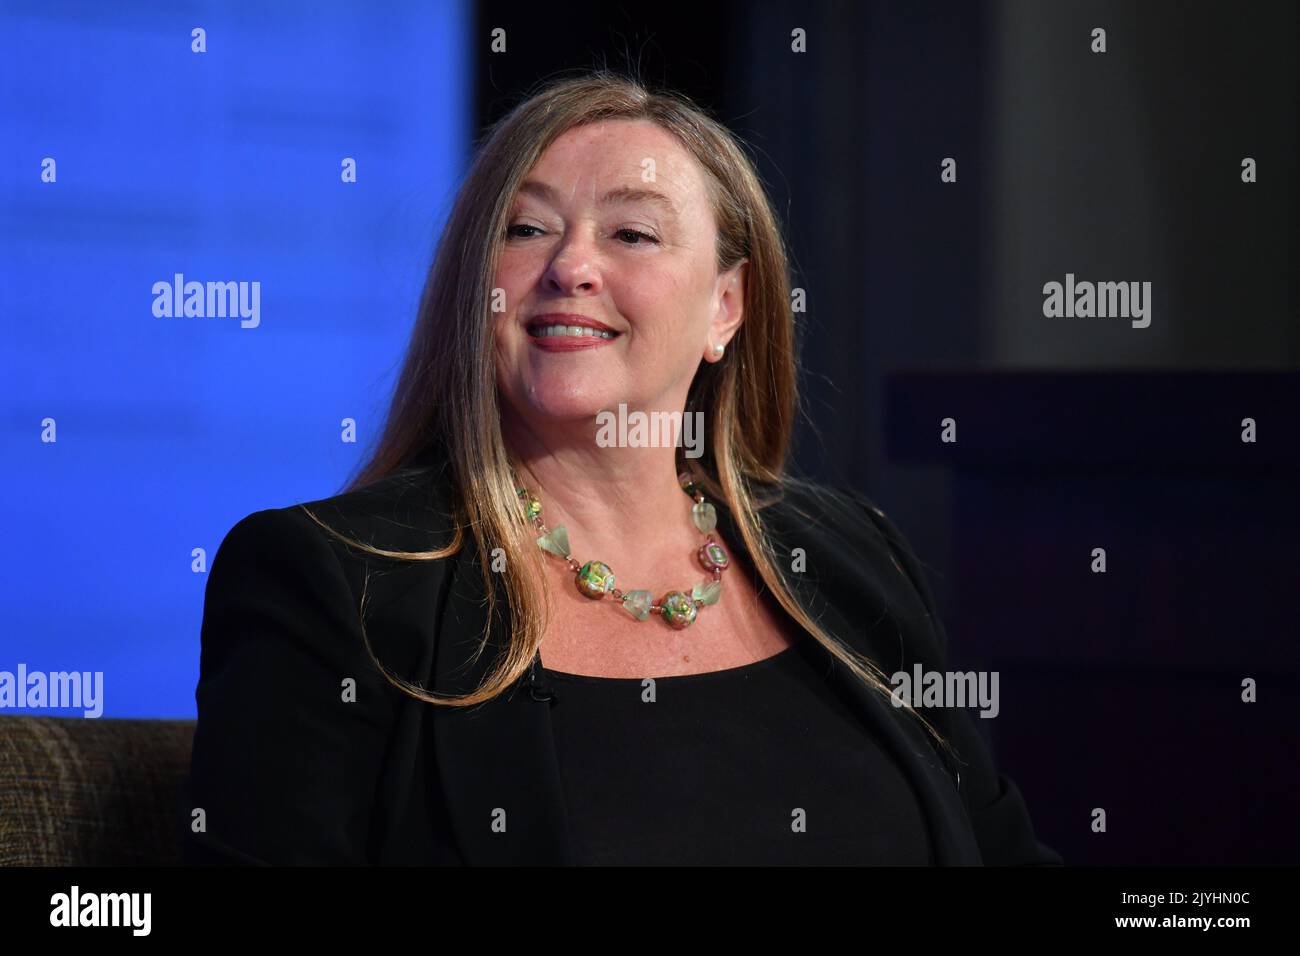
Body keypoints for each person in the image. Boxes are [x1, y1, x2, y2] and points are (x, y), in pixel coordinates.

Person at [182, 70, 1061, 866]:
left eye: (632, 233)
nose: (570, 267)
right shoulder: (332, 583)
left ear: (727, 309)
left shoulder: (851, 557)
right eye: (526, 229)